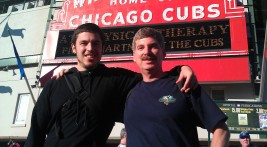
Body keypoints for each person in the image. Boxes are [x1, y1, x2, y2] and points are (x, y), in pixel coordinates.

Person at [25, 23, 197, 147]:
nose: (90, 48)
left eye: (96, 43)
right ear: (73, 48)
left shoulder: (116, 78)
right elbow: (36, 131)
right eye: (84, 43)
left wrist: (182, 68)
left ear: (102, 48)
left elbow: (152, 75)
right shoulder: (56, 83)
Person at [124, 27, 230, 146]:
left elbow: (221, 130)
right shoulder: (129, 93)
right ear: (134, 56)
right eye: (141, 48)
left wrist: (183, 68)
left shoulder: (183, 84)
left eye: (153, 46)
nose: (146, 52)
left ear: (163, 53)